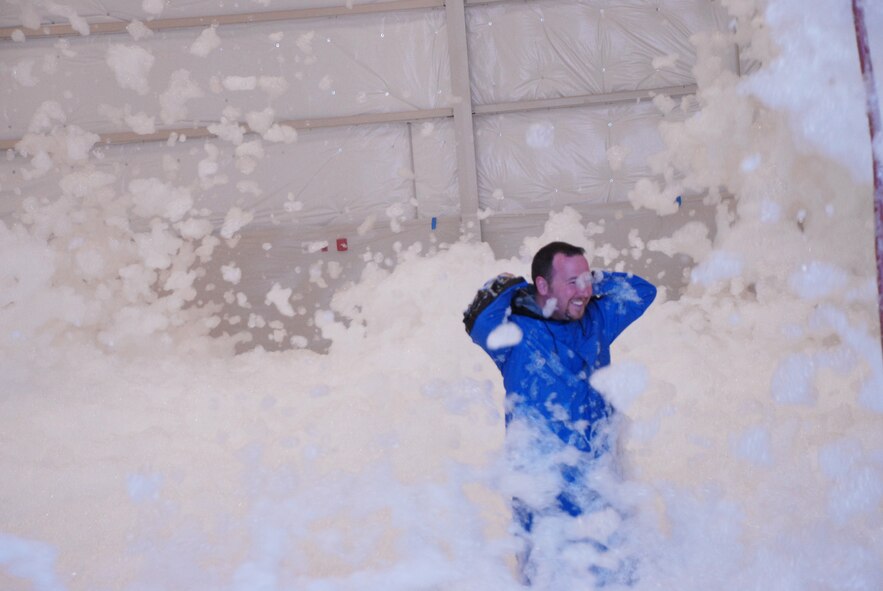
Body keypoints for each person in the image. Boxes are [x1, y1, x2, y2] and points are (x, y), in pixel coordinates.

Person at [463, 241, 656, 587]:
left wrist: (591, 279)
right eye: (572, 282)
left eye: (587, 280)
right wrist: (516, 288)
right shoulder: (513, 334)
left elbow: (643, 291)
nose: (583, 292)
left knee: (614, 573)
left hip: (598, 478)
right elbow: (478, 319)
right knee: (547, 577)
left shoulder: (595, 321)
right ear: (542, 285)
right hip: (542, 486)